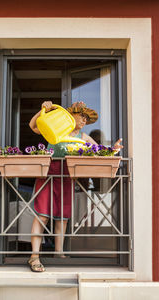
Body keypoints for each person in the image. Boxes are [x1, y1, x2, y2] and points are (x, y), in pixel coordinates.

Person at [27, 101, 123, 272]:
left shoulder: (83, 138)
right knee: (42, 216)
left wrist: (114, 149)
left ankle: (59, 254)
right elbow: (33, 125)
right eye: (81, 116)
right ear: (71, 116)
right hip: (48, 174)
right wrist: (42, 109)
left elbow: (100, 151)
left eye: (86, 117)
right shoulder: (56, 129)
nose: (84, 120)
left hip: (67, 178)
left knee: (62, 218)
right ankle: (34, 256)